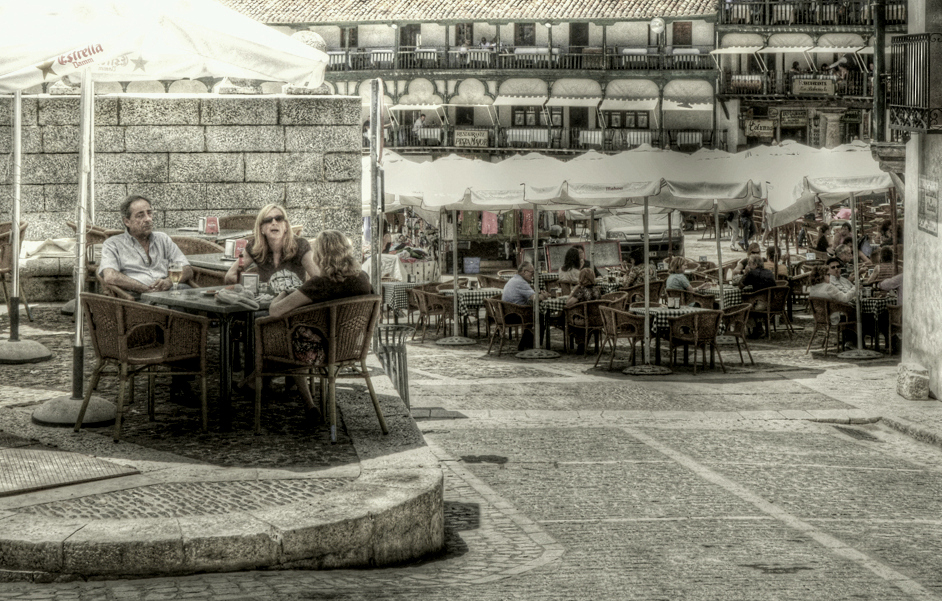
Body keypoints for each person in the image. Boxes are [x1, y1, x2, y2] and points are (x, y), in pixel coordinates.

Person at [268, 230, 374, 421]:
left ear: (321, 255)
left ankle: (309, 404)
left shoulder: (320, 284)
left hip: (319, 353)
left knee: (288, 339)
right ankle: (253, 381)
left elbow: (275, 311)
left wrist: (282, 294)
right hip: (351, 348)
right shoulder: (363, 279)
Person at [99, 194, 191, 299]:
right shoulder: (113, 244)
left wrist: (168, 282)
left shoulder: (163, 239)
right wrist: (145, 289)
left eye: (149, 213)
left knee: (190, 295)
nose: (148, 219)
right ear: (127, 221)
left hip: (167, 292)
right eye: (140, 215)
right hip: (139, 299)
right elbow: (110, 276)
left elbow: (187, 269)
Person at [224, 204, 316, 293]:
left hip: (294, 303)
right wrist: (254, 285)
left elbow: (319, 279)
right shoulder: (255, 247)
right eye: (268, 220)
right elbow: (230, 276)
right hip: (265, 302)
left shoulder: (300, 245)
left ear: (286, 226)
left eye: (279, 219)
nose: (274, 223)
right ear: (261, 229)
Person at [501, 262, 549, 351]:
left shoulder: (514, 279)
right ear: (524, 272)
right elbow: (535, 298)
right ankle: (532, 345)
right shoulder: (521, 282)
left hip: (506, 313)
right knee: (539, 317)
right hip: (515, 315)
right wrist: (544, 296)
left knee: (535, 315)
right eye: (532, 272)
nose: (533, 275)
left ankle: (526, 343)